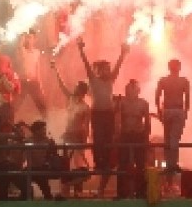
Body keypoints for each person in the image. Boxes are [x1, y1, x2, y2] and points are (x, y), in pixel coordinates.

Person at [77, 38, 128, 172]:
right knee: (98, 138)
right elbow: (86, 65)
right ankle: (98, 162)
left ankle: (106, 162)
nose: (108, 71)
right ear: (98, 70)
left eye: (108, 69)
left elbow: (118, 66)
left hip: (109, 113)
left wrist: (122, 54)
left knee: (109, 138)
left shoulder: (110, 80)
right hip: (98, 113)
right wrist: (81, 50)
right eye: (105, 69)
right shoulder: (93, 80)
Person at [51, 60, 91, 197]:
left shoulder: (86, 108)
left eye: (77, 88)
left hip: (77, 138)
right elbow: (61, 85)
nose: (74, 89)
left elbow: (86, 126)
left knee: (79, 167)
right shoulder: (71, 99)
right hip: (67, 136)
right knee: (65, 165)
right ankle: (65, 191)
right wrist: (55, 69)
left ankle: (76, 191)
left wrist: (84, 141)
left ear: (82, 91)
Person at [155, 58, 190, 173]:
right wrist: (185, 112)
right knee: (173, 138)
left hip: (169, 110)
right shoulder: (183, 81)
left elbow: (157, 97)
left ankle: (170, 164)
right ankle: (172, 164)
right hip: (176, 110)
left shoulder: (164, 80)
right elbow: (187, 99)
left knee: (169, 138)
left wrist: (160, 111)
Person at [117, 79, 150, 198]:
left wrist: (146, 137)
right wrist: (118, 134)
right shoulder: (122, 103)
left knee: (140, 164)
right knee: (122, 164)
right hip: (125, 135)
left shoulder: (143, 103)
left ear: (138, 90)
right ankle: (121, 193)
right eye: (128, 88)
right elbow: (117, 119)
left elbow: (147, 122)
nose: (130, 91)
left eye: (133, 88)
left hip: (138, 135)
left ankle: (141, 193)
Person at [15, 32, 47, 119]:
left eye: (30, 38)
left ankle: (47, 123)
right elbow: (20, 46)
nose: (28, 40)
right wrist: (22, 36)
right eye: (27, 38)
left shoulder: (37, 52)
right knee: (15, 105)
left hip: (33, 82)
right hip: (23, 82)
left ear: (34, 40)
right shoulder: (22, 51)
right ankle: (9, 123)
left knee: (42, 105)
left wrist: (41, 86)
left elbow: (38, 69)